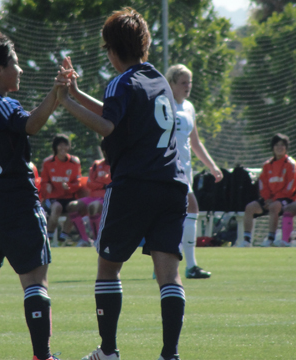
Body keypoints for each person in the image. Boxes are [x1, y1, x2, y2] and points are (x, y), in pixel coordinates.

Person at [58, 8, 189, 360]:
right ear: (144, 44)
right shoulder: (158, 79)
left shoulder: (120, 81)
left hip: (134, 186)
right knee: (169, 274)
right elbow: (117, 111)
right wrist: (79, 93)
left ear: (113, 50)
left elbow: (109, 125)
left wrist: (66, 101)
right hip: (171, 185)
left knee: (108, 268)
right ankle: (170, 355)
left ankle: (109, 351)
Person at [0, 30, 70, 360]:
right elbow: (32, 124)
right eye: (15, 63)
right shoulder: (4, 104)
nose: (19, 69)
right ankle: (42, 356)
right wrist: (57, 92)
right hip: (16, 203)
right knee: (35, 280)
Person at [166, 64, 222, 279]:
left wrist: (212, 166)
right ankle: (190, 266)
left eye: (189, 82)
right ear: (171, 83)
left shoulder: (189, 107)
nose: (188, 86)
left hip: (185, 170)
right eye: (183, 82)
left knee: (173, 218)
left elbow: (195, 142)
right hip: (169, 170)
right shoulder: (164, 105)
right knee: (191, 209)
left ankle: (162, 266)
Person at [238, 133, 296, 247]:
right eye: (276, 145)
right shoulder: (267, 165)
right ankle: (246, 240)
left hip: (287, 200)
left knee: (274, 206)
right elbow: (263, 185)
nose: (279, 148)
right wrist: (267, 199)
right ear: (272, 147)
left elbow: (290, 188)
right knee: (250, 207)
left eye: (282, 145)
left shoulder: (291, 164)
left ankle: (270, 239)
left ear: (286, 148)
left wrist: (273, 200)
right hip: (269, 201)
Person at [40, 134, 82, 245]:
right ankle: (49, 234)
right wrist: (47, 186)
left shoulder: (75, 162)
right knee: (57, 207)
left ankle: (64, 235)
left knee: (76, 206)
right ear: (55, 147)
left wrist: (69, 187)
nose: (63, 148)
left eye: (65, 145)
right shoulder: (48, 163)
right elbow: (43, 181)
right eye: (60, 145)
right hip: (53, 199)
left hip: (69, 197)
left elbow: (78, 182)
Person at [66, 144, 111, 247]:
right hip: (92, 197)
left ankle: (97, 240)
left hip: (107, 197)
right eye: (104, 150)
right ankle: (85, 240)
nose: (106, 152)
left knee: (93, 206)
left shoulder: (117, 164)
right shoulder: (97, 164)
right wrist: (103, 183)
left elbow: (111, 182)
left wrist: (99, 182)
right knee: (72, 205)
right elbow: (89, 183)